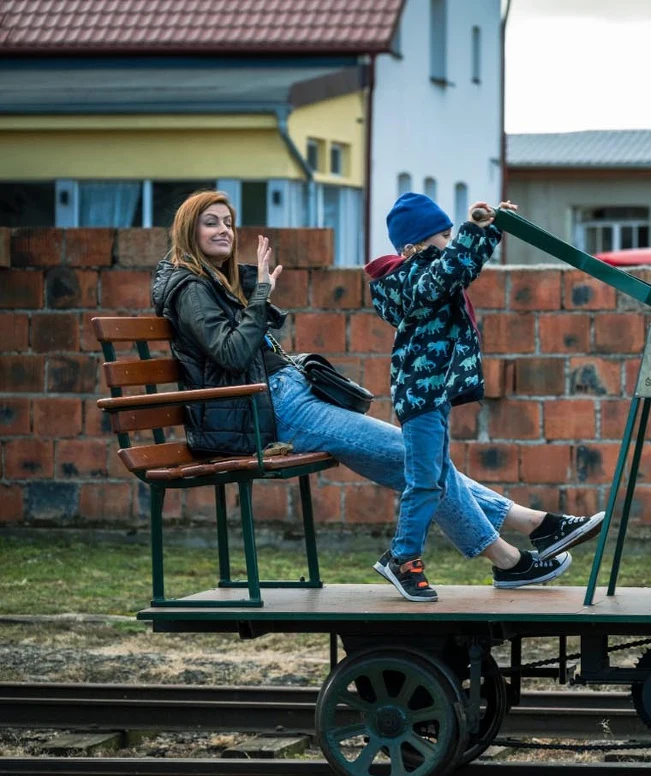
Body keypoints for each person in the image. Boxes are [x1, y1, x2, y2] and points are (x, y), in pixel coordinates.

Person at [152, 190, 603, 601]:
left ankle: (523, 540)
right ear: (188, 231)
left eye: (228, 222)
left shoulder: (212, 282)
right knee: (418, 460)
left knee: (423, 463)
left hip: (283, 399)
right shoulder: (190, 286)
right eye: (211, 223)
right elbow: (232, 353)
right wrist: (262, 290)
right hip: (271, 410)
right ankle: (515, 546)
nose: (223, 231)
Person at [365, 193, 600, 600]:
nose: (452, 241)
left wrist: (491, 232)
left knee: (435, 480)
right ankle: (402, 558)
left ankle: (511, 550)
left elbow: (460, 266)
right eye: (444, 235)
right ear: (412, 246)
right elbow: (448, 273)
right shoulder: (408, 281)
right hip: (420, 398)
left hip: (432, 396)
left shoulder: (434, 271)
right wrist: (475, 231)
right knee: (423, 483)